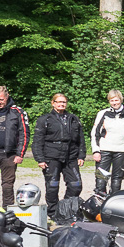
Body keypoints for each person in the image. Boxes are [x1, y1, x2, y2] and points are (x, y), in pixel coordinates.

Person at [32, 93, 85, 222]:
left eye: (64, 102)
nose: (61, 104)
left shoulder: (73, 119)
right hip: (51, 156)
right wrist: (40, 158)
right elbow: (37, 140)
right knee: (52, 186)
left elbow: (81, 139)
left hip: (70, 157)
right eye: (59, 102)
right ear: (53, 103)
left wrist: (81, 155)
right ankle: (53, 213)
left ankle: (65, 209)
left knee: (76, 185)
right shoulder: (45, 120)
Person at [90, 89, 124, 195]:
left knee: (117, 179)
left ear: (120, 100)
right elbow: (95, 133)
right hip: (104, 149)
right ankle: (99, 201)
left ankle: (113, 201)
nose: (114, 103)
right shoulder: (103, 113)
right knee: (101, 179)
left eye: (116, 100)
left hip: (122, 150)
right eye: (112, 101)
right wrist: (96, 151)